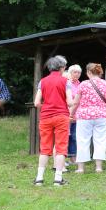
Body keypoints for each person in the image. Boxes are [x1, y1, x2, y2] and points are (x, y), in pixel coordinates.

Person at [70, 63, 106, 174]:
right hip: (102, 115)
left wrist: (71, 114)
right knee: (100, 141)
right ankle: (98, 167)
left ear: (89, 72)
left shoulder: (83, 84)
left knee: (82, 140)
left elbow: (76, 102)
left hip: (84, 115)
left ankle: (81, 168)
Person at [33, 56, 73, 186]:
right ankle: (58, 179)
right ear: (61, 68)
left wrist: (46, 106)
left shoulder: (42, 81)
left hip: (45, 117)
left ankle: (39, 179)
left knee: (44, 148)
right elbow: (69, 102)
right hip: (61, 116)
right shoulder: (65, 81)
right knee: (61, 148)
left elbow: (36, 102)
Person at [66, 65, 82, 164]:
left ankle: (73, 158)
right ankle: (62, 159)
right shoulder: (66, 83)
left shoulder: (80, 84)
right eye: (75, 72)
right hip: (67, 113)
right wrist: (69, 114)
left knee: (74, 137)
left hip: (77, 115)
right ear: (70, 73)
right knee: (65, 136)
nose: (77, 74)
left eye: (79, 72)